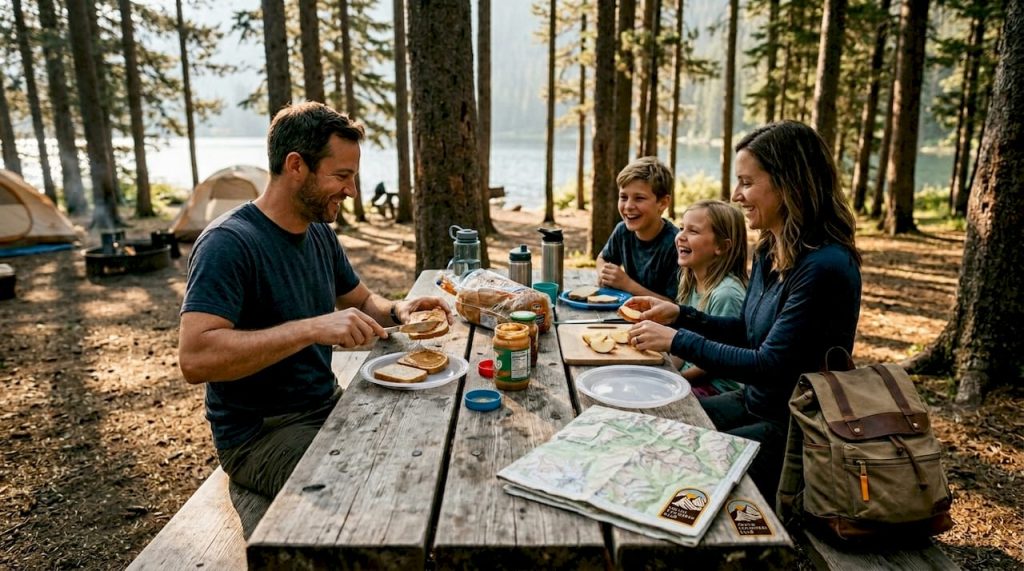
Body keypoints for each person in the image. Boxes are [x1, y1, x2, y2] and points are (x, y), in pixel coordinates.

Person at [177, 102, 452, 498]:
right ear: (295, 166)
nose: (352, 191)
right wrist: (310, 328)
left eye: (353, 177)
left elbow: (360, 301)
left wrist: (399, 310)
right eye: (341, 175)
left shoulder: (318, 232)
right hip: (261, 436)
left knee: (424, 447)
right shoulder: (228, 244)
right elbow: (195, 359)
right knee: (373, 490)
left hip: (326, 406)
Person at [626, 121, 862, 498]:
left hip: (794, 430)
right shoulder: (771, 250)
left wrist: (678, 339)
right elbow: (748, 331)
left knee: (663, 464)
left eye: (747, 183)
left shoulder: (825, 267)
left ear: (789, 184)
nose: (736, 195)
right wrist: (681, 315)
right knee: (650, 426)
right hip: (754, 404)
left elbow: (769, 364)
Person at [673, 199, 748, 398]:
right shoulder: (688, 282)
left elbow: (714, 364)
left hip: (717, 388)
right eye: (681, 228)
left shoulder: (726, 294)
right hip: (689, 378)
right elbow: (682, 347)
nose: (680, 236)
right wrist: (666, 372)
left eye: (693, 231)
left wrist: (675, 380)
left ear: (722, 247)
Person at [597, 156, 680, 300]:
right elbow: (602, 258)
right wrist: (604, 274)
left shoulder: (676, 244)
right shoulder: (622, 231)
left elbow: (674, 305)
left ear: (663, 203)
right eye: (623, 197)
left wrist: (627, 285)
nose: (628, 206)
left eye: (639, 198)